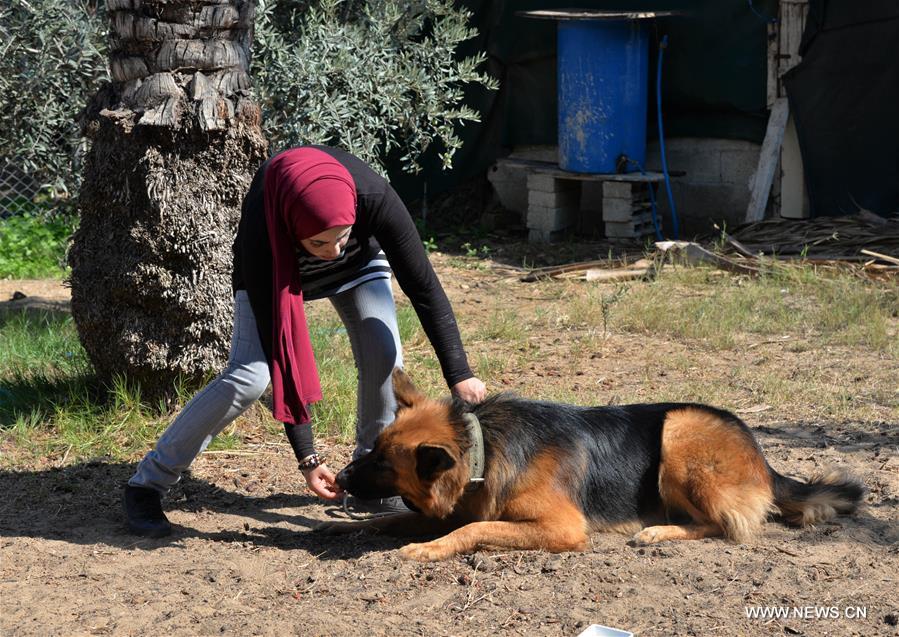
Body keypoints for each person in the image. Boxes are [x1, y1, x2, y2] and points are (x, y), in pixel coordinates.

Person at [123, 145, 486, 537]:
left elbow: (424, 288)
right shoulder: (263, 227)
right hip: (278, 272)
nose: (332, 253)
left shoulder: (372, 195)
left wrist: (460, 374)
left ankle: (371, 477)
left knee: (385, 352)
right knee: (249, 377)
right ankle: (147, 484)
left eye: (342, 236)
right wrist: (307, 457)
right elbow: (281, 357)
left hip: (360, 266)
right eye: (319, 244)